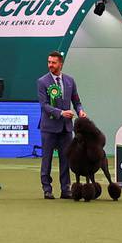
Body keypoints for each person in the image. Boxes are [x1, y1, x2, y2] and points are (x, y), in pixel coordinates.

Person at [36, 51, 83, 200]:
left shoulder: (70, 81)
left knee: (66, 159)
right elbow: (44, 105)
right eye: (49, 62)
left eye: (53, 62)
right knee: (47, 159)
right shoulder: (42, 82)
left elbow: (76, 101)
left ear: (60, 64)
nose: (50, 65)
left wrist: (81, 111)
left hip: (66, 128)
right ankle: (47, 189)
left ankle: (65, 189)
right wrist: (61, 113)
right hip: (49, 127)